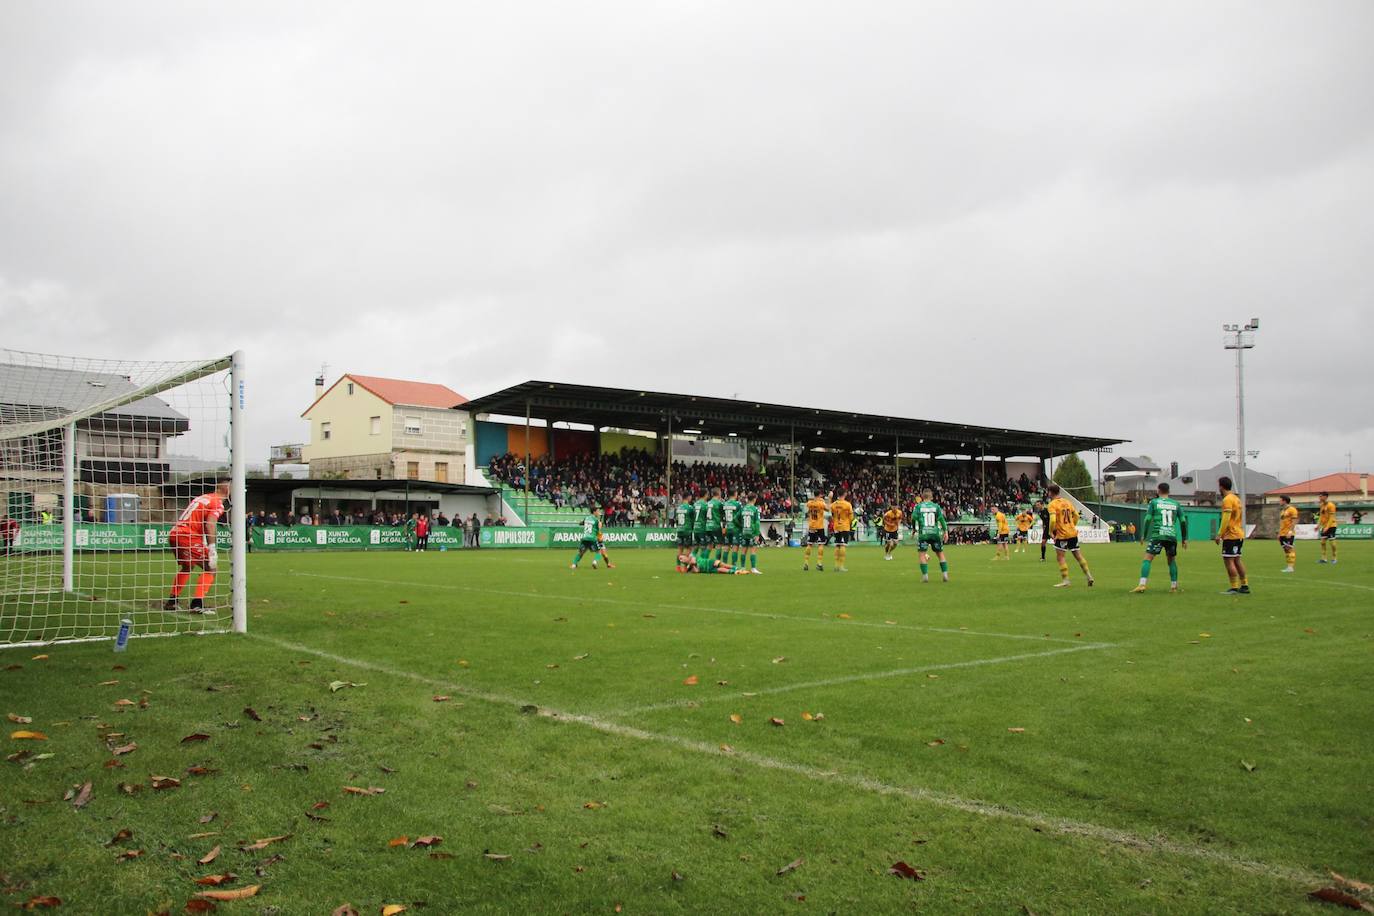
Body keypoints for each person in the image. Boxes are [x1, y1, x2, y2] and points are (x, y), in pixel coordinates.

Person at [164, 479, 229, 613]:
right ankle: (196, 604)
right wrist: (212, 549)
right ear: (227, 489)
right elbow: (210, 524)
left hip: (175, 533)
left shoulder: (203, 497)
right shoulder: (217, 503)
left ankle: (172, 601)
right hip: (188, 536)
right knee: (211, 567)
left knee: (188, 566)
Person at [1132, 482, 1187, 593]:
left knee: (1147, 558)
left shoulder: (1154, 502)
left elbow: (1147, 519)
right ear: (1169, 491)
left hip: (1158, 534)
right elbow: (1183, 521)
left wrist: (1144, 534)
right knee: (1171, 560)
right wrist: (1184, 538)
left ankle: (1142, 585)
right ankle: (1174, 586)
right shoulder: (1176, 504)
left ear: (1158, 491)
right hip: (1171, 535)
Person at [1046, 483, 1094, 588]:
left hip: (1062, 535)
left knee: (1060, 557)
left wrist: (1050, 532)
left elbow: (1053, 520)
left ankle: (1066, 580)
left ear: (1050, 492)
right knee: (1078, 556)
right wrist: (1072, 525)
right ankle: (1089, 576)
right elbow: (1076, 515)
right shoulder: (1067, 502)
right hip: (1072, 532)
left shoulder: (1052, 505)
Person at [1214, 475, 1249, 595]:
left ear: (1221, 486)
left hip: (1231, 535)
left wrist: (1219, 534)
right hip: (1239, 534)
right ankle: (1244, 585)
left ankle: (1234, 587)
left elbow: (1226, 518)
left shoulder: (1227, 499)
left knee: (1229, 560)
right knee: (1237, 559)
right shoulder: (1236, 499)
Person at [911, 488, 950, 583]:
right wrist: (946, 532)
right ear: (932, 497)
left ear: (922, 496)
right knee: (940, 554)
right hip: (935, 533)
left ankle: (925, 576)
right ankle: (945, 575)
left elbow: (913, 518)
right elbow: (941, 520)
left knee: (922, 555)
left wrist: (914, 529)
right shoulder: (936, 506)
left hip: (924, 534)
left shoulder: (918, 506)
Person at [571, 506, 613, 570]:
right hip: (592, 538)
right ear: (594, 512)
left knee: (581, 552)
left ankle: (574, 565)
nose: (599, 513)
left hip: (585, 537)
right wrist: (600, 537)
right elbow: (599, 530)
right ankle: (594, 562)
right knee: (599, 552)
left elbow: (581, 523)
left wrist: (582, 523)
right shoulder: (597, 520)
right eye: (598, 511)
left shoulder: (587, 518)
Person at [802, 491, 829, 571]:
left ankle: (806, 563)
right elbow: (828, 509)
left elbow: (808, 506)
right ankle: (819, 563)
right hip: (819, 526)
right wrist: (827, 500)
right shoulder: (821, 503)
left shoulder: (810, 503)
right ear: (820, 495)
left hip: (812, 526)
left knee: (809, 544)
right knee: (820, 545)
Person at [738, 494, 763, 574]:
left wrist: (741, 526)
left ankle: (742, 567)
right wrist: (757, 533)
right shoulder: (755, 509)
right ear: (754, 499)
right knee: (753, 550)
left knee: (743, 550)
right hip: (752, 532)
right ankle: (753, 568)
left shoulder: (743, 508)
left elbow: (736, 519)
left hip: (744, 531)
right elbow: (757, 522)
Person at [830, 491, 854, 572]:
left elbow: (832, 514)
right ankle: (841, 566)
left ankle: (836, 565)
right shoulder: (847, 504)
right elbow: (851, 517)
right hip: (844, 527)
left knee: (837, 545)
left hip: (836, 526)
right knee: (843, 545)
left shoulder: (833, 504)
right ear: (845, 494)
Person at [722, 489, 743, 567]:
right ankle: (733, 566)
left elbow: (723, 517)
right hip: (735, 529)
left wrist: (723, 527)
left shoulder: (724, 504)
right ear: (735, 493)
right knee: (735, 548)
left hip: (727, 528)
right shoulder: (738, 504)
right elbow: (740, 517)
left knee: (726, 548)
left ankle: (724, 565)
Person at [1278, 495, 1298, 573]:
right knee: (1286, 550)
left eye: (1280, 500)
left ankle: (1291, 567)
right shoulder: (1283, 511)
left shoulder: (1292, 509)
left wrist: (1290, 531)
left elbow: (1294, 521)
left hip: (1288, 533)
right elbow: (1282, 523)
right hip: (1282, 533)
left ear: (1284, 501)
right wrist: (1279, 533)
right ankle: (1288, 566)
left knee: (1290, 549)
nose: (1279, 501)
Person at [1317, 491, 1338, 564]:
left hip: (1332, 525)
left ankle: (1334, 558)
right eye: (1319, 496)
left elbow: (1332, 517)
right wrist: (1318, 525)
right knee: (1322, 542)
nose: (1319, 498)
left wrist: (1327, 527)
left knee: (1332, 543)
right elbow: (1321, 516)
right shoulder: (1321, 505)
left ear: (1325, 497)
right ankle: (1324, 559)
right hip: (1324, 526)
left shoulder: (1331, 505)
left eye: (1320, 496)